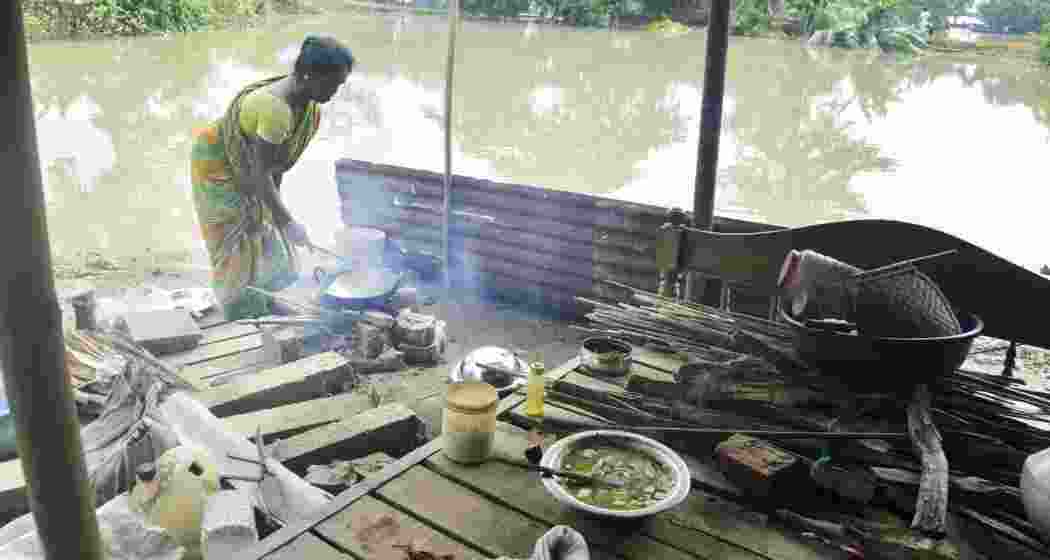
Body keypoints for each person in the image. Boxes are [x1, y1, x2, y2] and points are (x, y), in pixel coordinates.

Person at [190, 35, 354, 320]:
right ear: (307, 74)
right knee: (238, 245)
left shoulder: (308, 105)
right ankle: (243, 314)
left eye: (340, 85)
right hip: (219, 166)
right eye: (332, 84)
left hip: (254, 168)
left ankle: (263, 302)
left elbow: (274, 168)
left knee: (266, 234)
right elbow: (259, 173)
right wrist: (286, 221)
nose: (335, 91)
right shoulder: (275, 110)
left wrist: (274, 209)